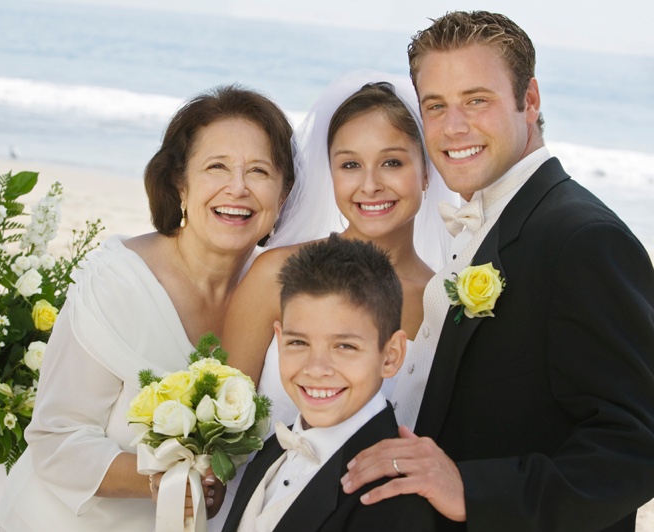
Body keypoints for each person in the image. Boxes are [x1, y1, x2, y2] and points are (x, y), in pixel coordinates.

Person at [340, 11, 654, 531]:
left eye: (476, 100)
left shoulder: (582, 238)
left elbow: (639, 444)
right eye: (436, 106)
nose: (454, 126)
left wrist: (471, 490)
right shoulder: (494, 221)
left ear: (528, 101)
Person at [0, 85, 295, 530]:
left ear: (283, 194)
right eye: (217, 167)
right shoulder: (116, 281)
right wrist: (162, 479)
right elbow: (55, 439)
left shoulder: (281, 292)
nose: (238, 188)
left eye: (259, 171)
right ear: (180, 185)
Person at [223, 70, 454, 431]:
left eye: (392, 162)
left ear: (427, 171)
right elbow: (218, 412)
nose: (370, 185)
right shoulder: (275, 273)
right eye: (350, 165)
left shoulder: (441, 304)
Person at [222, 235, 437, 531]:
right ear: (279, 338)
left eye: (345, 347)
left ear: (391, 355)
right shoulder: (270, 452)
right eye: (298, 342)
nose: (317, 368)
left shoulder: (396, 500)